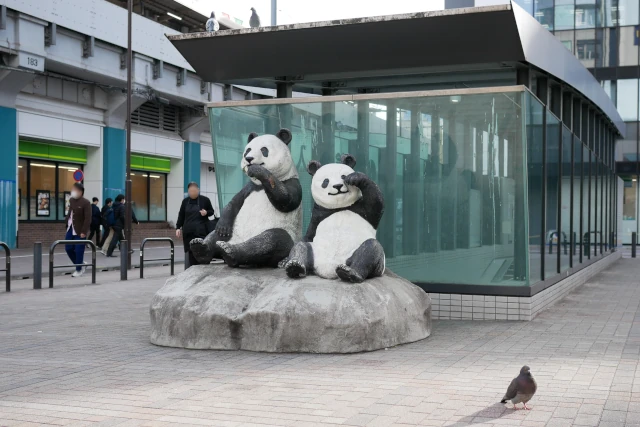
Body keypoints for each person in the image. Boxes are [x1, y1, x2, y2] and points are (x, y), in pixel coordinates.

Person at [176, 182, 215, 267]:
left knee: (201, 251)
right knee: (190, 252)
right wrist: (178, 227)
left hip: (200, 231)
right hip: (188, 232)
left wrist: (206, 212)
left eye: (194, 191)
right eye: (190, 191)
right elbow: (181, 215)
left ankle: (202, 269)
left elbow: (212, 212)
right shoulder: (185, 201)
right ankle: (191, 270)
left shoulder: (205, 200)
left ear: (198, 190)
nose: (192, 193)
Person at [63, 183, 91, 277]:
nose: (73, 191)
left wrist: (84, 231)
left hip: (80, 229)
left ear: (80, 192)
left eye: (74, 190)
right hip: (70, 228)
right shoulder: (71, 200)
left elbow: (88, 218)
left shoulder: (86, 203)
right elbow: (70, 212)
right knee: (68, 248)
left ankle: (78, 269)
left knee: (79, 250)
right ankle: (81, 263)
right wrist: (67, 221)